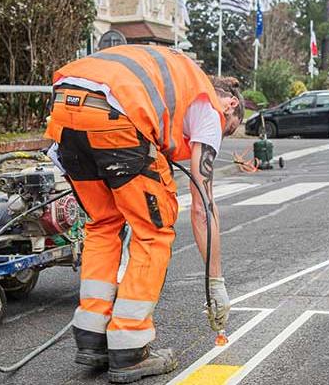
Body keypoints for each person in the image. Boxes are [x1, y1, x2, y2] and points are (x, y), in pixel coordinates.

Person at [44, 45, 243, 383]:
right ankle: (129, 347)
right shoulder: (209, 107)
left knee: (103, 223)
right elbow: (201, 205)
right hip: (116, 115)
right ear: (231, 105)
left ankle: (92, 335)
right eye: (228, 130)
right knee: (154, 229)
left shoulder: (175, 79)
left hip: (65, 108)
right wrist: (216, 282)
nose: (216, 137)